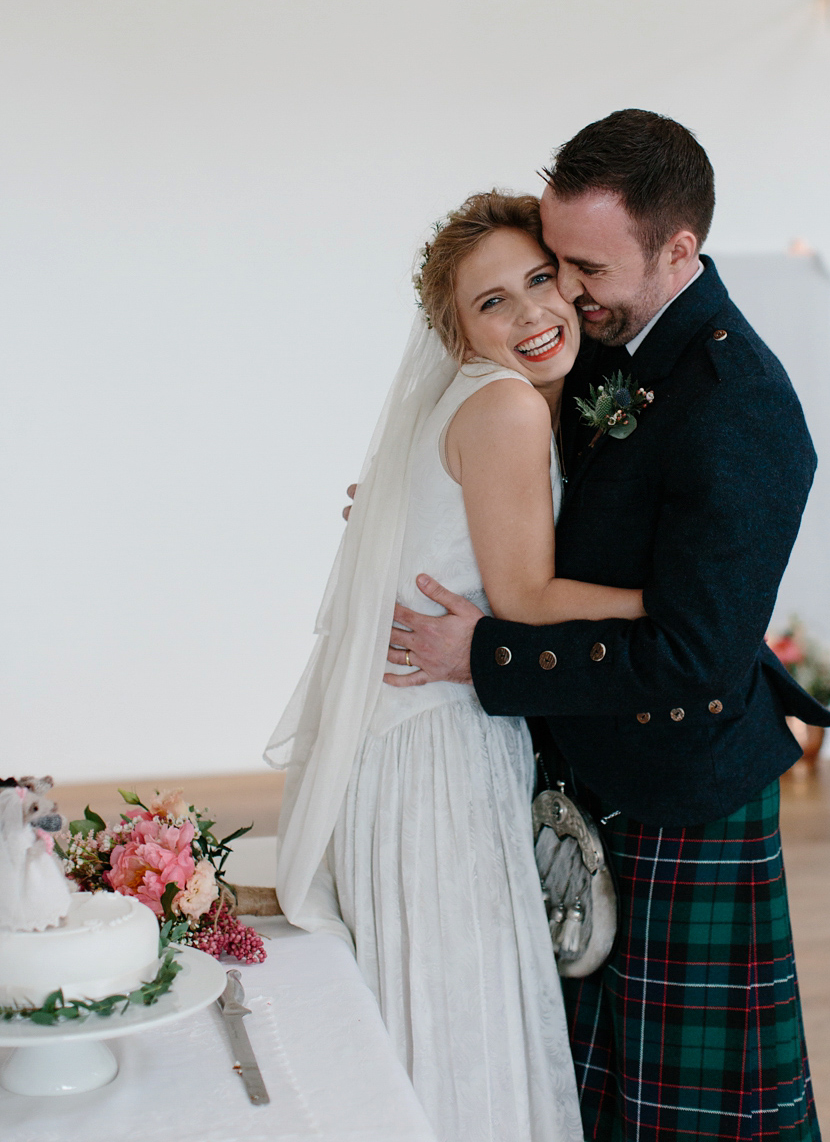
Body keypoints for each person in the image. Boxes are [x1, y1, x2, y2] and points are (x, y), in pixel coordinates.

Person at [386, 109, 830, 1141]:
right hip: (592, 775)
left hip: (683, 791)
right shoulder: (603, 341)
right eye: (554, 260)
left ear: (678, 249)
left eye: (583, 265)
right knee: (599, 1095)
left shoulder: (741, 404)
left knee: (695, 1118)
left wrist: (485, 653)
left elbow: (693, 652)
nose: (562, 289)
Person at [267, 190, 661, 1142]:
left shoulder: (485, 405)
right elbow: (524, 600)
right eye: (493, 303)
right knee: (463, 1009)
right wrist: (678, 603)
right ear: (456, 333)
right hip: (436, 754)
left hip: (414, 741)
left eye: (539, 280)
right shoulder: (504, 411)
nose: (530, 313)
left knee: (438, 1006)